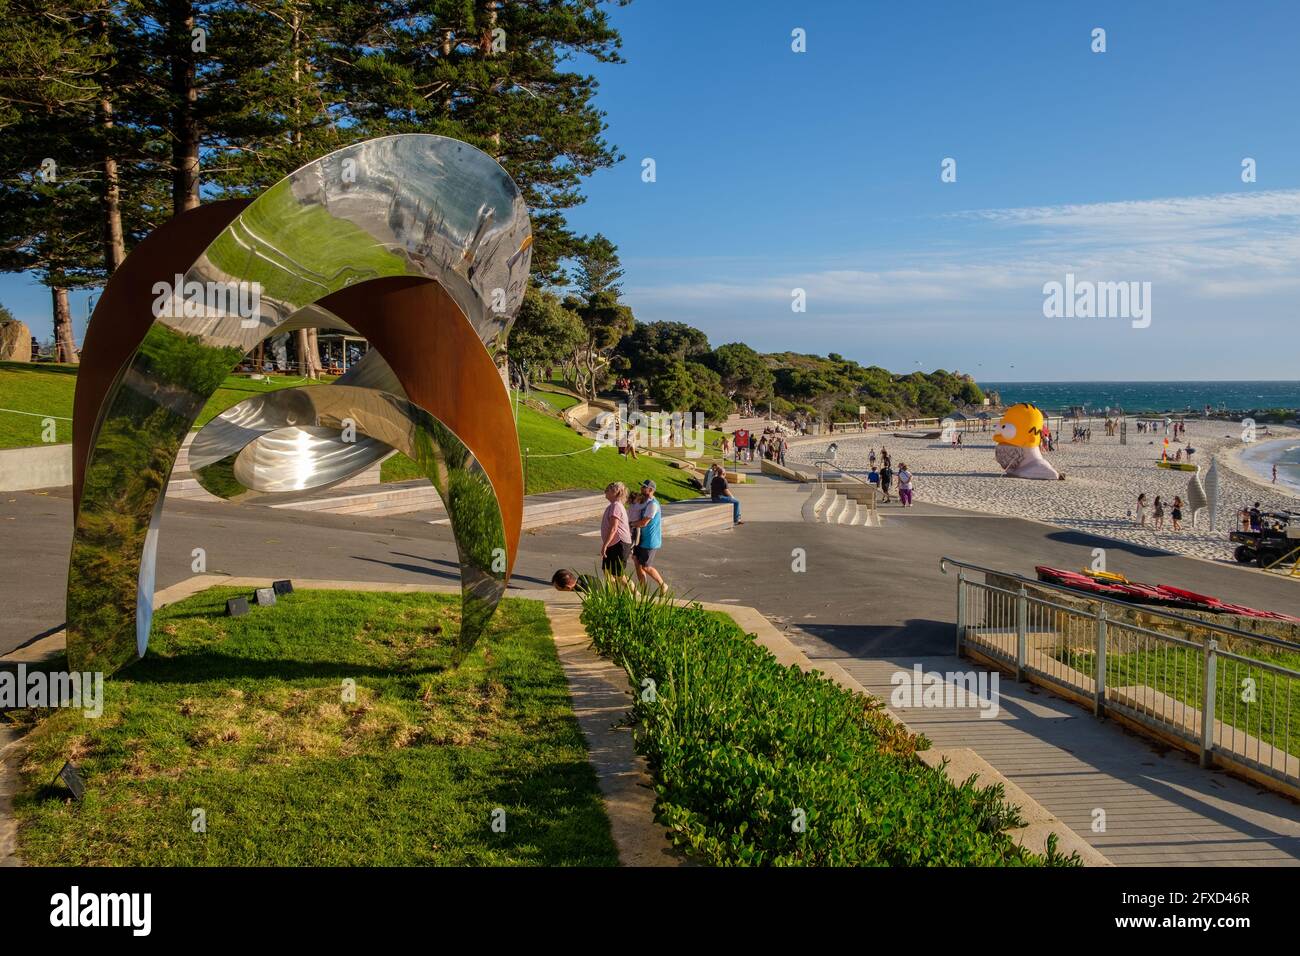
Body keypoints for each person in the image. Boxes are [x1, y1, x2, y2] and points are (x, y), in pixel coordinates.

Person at [631, 479, 666, 591]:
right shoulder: (644, 502)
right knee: (637, 562)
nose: (641, 489)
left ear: (650, 490)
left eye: (644, 487)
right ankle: (643, 589)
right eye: (641, 486)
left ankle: (663, 585)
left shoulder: (653, 505)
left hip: (650, 540)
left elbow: (644, 522)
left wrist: (629, 524)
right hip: (640, 538)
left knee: (646, 566)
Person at [600, 481, 632, 578]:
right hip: (613, 543)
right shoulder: (613, 505)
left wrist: (605, 545)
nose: (605, 491)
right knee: (607, 570)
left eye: (608, 490)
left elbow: (614, 528)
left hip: (619, 544)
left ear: (616, 492)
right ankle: (611, 592)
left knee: (618, 575)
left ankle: (637, 593)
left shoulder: (616, 506)